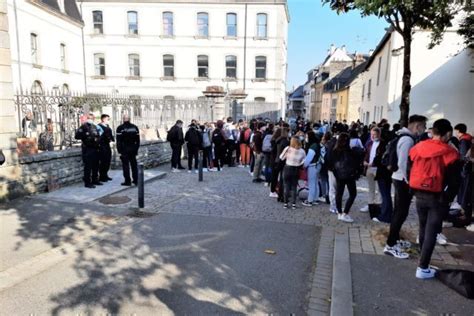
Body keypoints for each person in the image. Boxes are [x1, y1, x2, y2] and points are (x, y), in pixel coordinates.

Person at [409, 119, 461, 279]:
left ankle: (421, 261)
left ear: (433, 131)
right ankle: (423, 267)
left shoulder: (418, 147)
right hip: (437, 196)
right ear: (447, 134)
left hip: (419, 194)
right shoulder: (450, 153)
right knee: (432, 231)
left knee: (423, 228)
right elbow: (454, 180)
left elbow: (410, 164)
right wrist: (448, 199)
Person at [383, 115, 427, 259]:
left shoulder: (404, 136)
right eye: (423, 127)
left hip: (400, 179)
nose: (424, 130)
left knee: (400, 212)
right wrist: (409, 181)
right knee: (400, 213)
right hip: (402, 180)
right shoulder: (407, 139)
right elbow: (403, 163)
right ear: (417, 126)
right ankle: (390, 245)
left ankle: (394, 240)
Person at [328, 132, 360, 223]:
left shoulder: (335, 150)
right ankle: (345, 213)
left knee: (339, 193)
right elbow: (355, 162)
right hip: (349, 175)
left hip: (339, 175)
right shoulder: (350, 151)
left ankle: (339, 212)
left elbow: (330, 161)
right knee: (352, 194)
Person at [75, 113, 101, 188]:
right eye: (89, 118)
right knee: (88, 167)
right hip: (87, 149)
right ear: (87, 119)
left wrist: (97, 140)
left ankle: (95, 180)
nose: (91, 119)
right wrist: (85, 135)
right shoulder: (83, 127)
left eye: (92, 118)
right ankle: (87, 182)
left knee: (96, 166)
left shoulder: (95, 127)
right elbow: (76, 136)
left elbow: (98, 136)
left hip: (95, 149)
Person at [280, 136, 306, 209]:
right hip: (296, 169)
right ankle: (293, 204)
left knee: (286, 186)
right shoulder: (302, 151)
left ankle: (285, 203)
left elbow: (281, 157)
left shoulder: (288, 149)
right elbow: (304, 160)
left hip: (287, 168)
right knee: (294, 187)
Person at [372, 132, 392, 223]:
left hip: (382, 174)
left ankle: (385, 216)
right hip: (387, 174)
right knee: (386, 194)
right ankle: (387, 213)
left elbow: (377, 160)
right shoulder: (390, 147)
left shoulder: (383, 148)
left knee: (385, 195)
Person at [361, 127, 381, 214]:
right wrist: (365, 161)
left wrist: (374, 163)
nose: (372, 136)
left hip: (378, 169)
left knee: (379, 189)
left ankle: (378, 206)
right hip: (369, 168)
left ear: (379, 134)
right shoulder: (370, 144)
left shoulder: (382, 144)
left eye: (374, 134)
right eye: (371, 134)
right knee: (371, 188)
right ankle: (370, 205)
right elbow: (367, 154)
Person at [116, 114, 140, 186]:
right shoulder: (135, 127)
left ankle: (127, 181)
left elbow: (118, 141)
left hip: (124, 149)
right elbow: (138, 140)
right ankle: (136, 180)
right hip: (133, 149)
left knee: (125, 166)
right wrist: (136, 149)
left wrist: (119, 150)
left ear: (123, 119)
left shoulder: (120, 128)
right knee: (134, 165)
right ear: (129, 119)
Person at [302, 131, 324, 206]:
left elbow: (309, 158)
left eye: (307, 137)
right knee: (315, 182)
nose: (306, 138)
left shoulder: (312, 146)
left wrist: (304, 165)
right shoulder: (318, 144)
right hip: (318, 165)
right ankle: (315, 198)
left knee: (311, 183)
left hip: (312, 166)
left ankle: (310, 200)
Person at [270, 126, 290, 201]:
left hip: (275, 160)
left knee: (276, 176)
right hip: (280, 160)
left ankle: (275, 191)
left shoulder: (276, 140)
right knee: (281, 178)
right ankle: (280, 193)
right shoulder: (284, 141)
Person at [97, 114, 114, 182]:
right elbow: (99, 137)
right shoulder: (99, 127)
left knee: (107, 161)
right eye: (108, 119)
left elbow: (110, 135)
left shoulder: (107, 126)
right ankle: (102, 176)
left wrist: (112, 139)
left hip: (107, 146)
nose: (109, 121)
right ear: (103, 119)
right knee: (103, 162)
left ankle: (105, 175)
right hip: (102, 146)